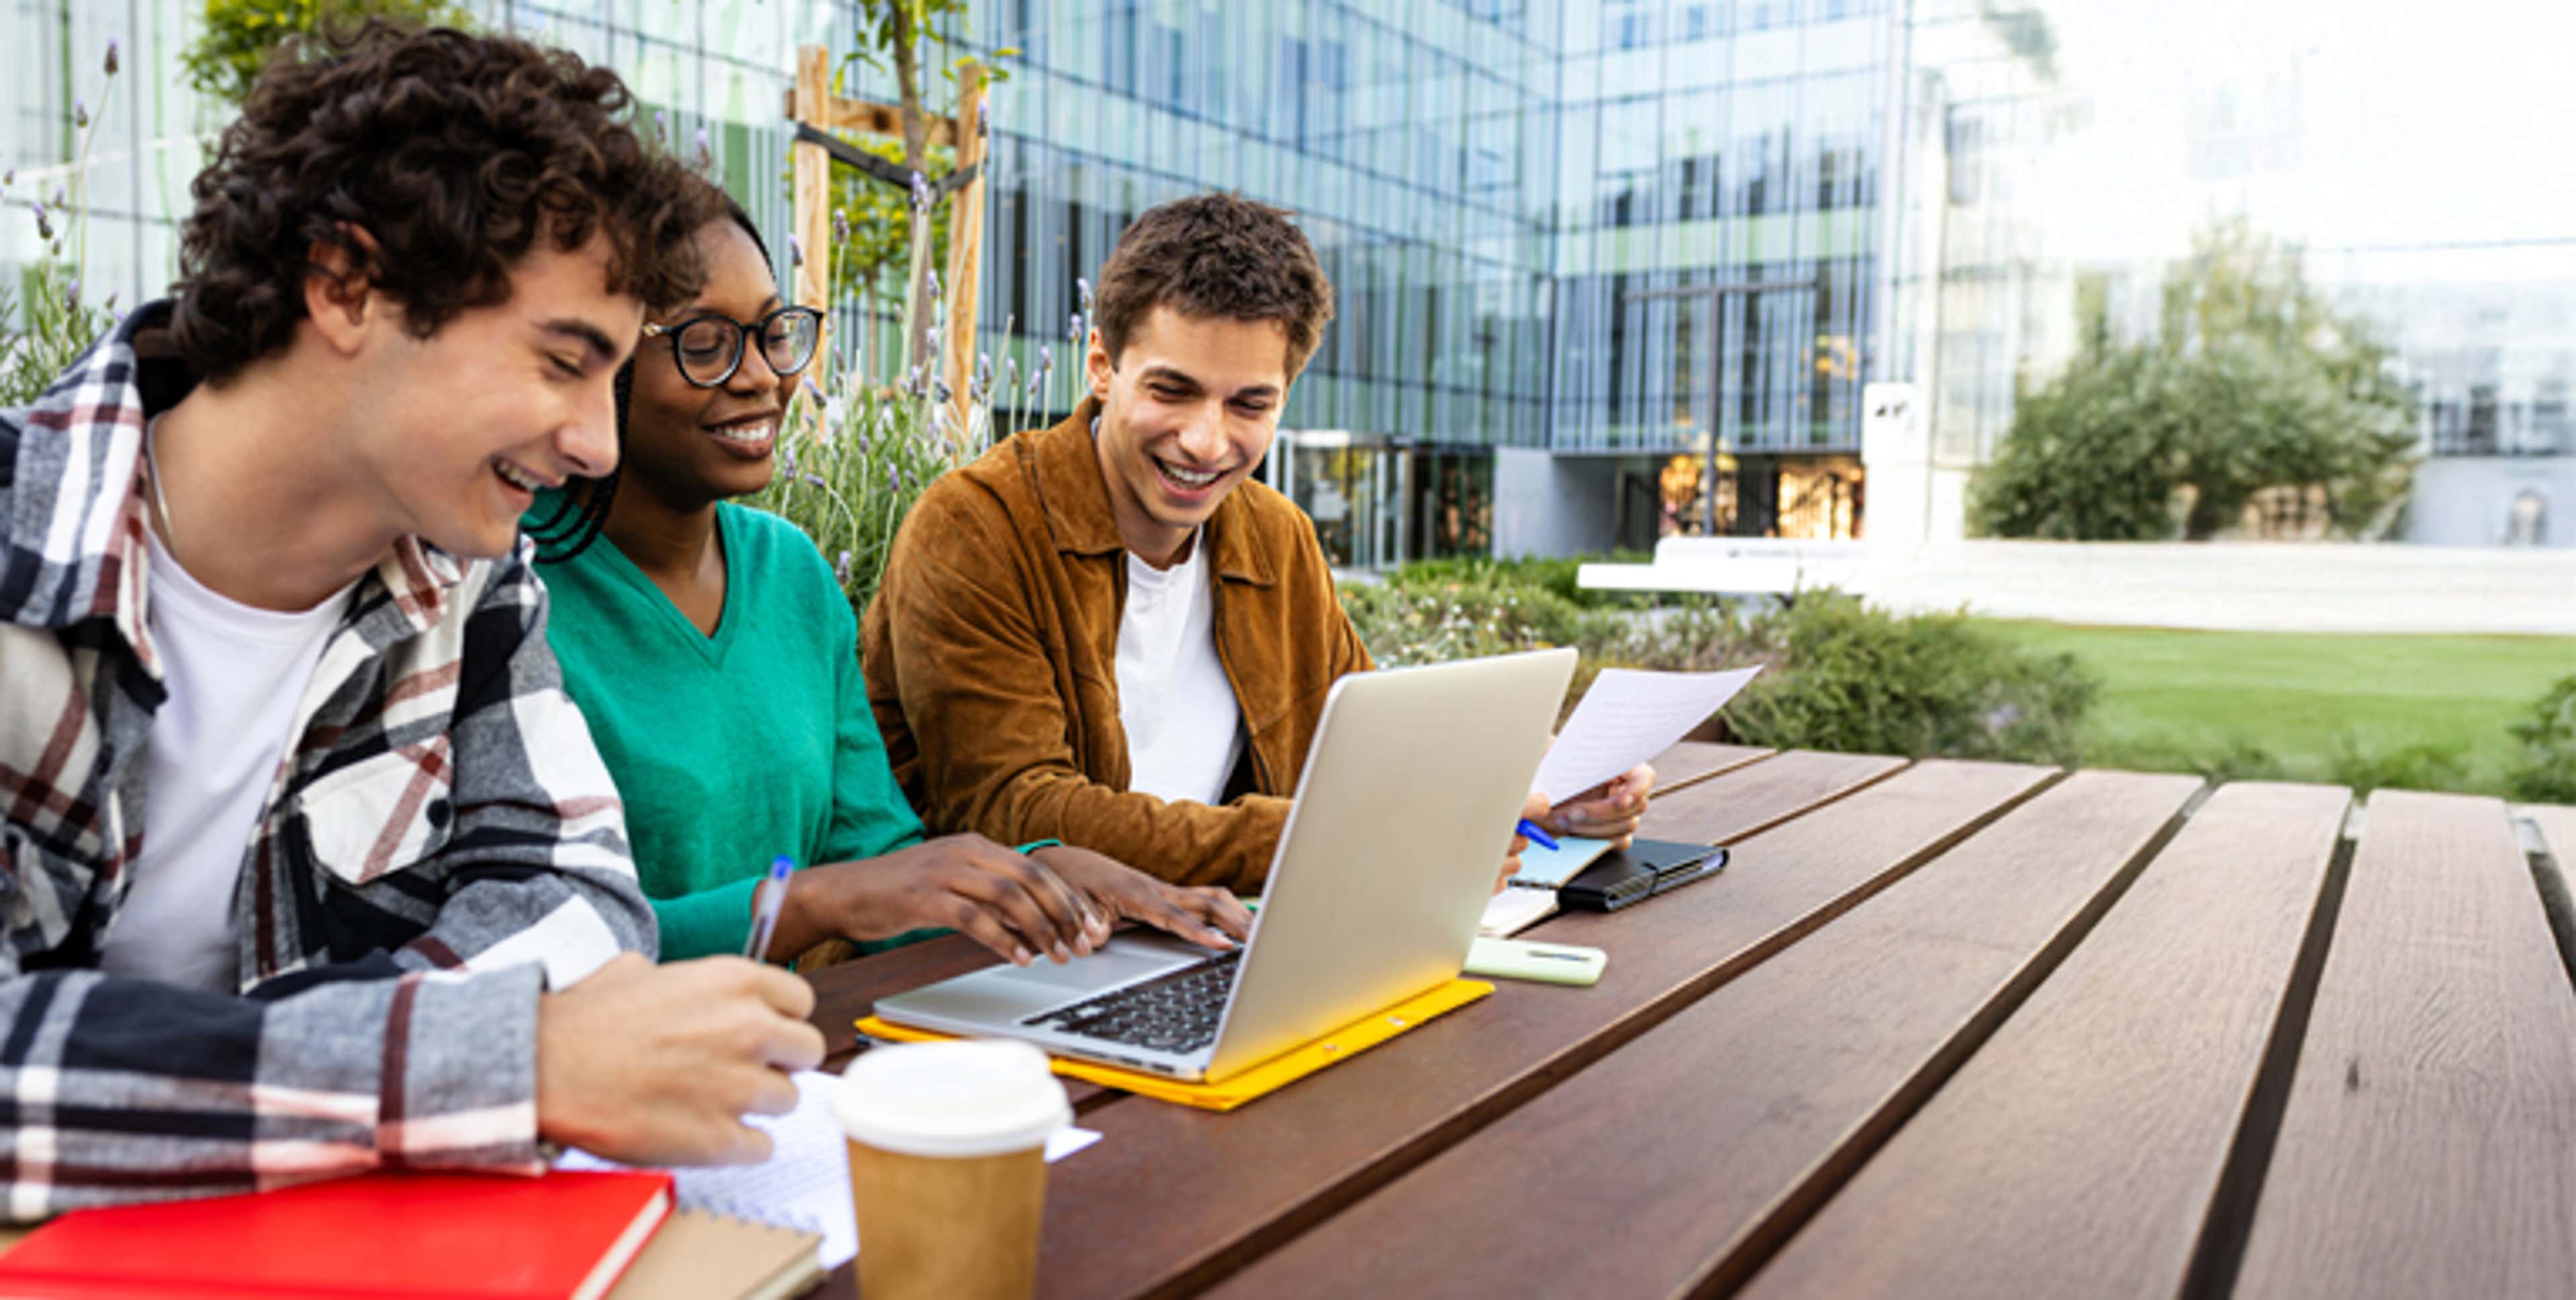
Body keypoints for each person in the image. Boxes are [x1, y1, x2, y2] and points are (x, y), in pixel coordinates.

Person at [0, 27, 826, 1215]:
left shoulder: (475, 585)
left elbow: (585, 903)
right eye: (562, 361)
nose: (597, 441)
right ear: (347, 284)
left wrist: (222, 1079)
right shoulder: (24, 541)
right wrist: (500, 1061)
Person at [527, 189, 1250, 967]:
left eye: (775, 332)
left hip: (789, 1056)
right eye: (706, 344)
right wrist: (807, 900)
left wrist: (1044, 872)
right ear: (591, 357)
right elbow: (528, 948)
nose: (763, 376)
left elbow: (880, 859)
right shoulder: (508, 597)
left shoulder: (791, 572)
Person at [863, 193, 1652, 890]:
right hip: (992, 973)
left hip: (1209, 944)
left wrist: (1543, 787)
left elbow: (1366, 745)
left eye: (1250, 404)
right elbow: (1015, 815)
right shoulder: (977, 525)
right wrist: (1323, 843)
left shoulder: (1276, 538)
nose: (1207, 443)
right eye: (1172, 391)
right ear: (1101, 364)